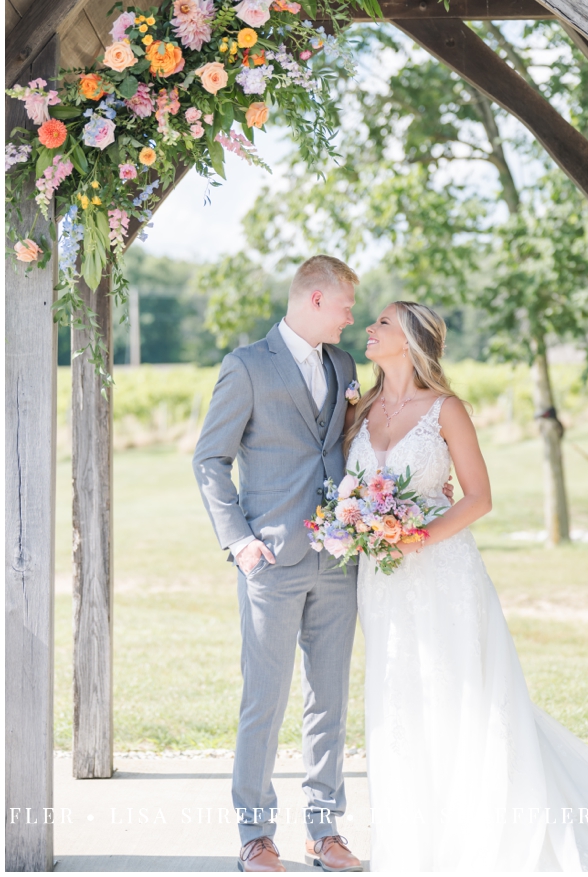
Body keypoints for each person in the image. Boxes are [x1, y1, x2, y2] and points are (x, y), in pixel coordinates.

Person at [344, 300, 588, 871]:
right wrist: (356, 524)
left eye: (382, 322)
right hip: (382, 581)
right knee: (399, 699)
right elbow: (351, 490)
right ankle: (414, 838)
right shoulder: (357, 411)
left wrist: (420, 538)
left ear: (408, 339)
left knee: (459, 692)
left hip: (443, 573)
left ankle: (479, 834)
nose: (370, 328)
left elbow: (480, 497)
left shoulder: (446, 410)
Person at [193, 255, 366, 872]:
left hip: (338, 559)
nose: (352, 316)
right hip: (270, 560)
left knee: (329, 699)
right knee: (263, 699)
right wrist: (240, 542)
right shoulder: (245, 366)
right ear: (316, 299)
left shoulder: (344, 365)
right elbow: (209, 460)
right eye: (346, 304)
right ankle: (255, 835)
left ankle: (325, 830)